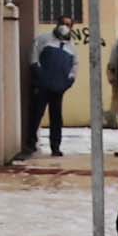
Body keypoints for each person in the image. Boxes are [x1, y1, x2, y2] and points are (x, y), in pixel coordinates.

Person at [27, 18, 77, 157]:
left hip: (58, 88)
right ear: (57, 24)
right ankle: (31, 143)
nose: (64, 27)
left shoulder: (71, 46)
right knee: (36, 114)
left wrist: (68, 82)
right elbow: (34, 57)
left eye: (68, 25)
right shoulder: (43, 39)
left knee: (56, 118)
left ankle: (55, 147)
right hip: (42, 86)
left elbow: (74, 65)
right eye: (63, 23)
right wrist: (39, 76)